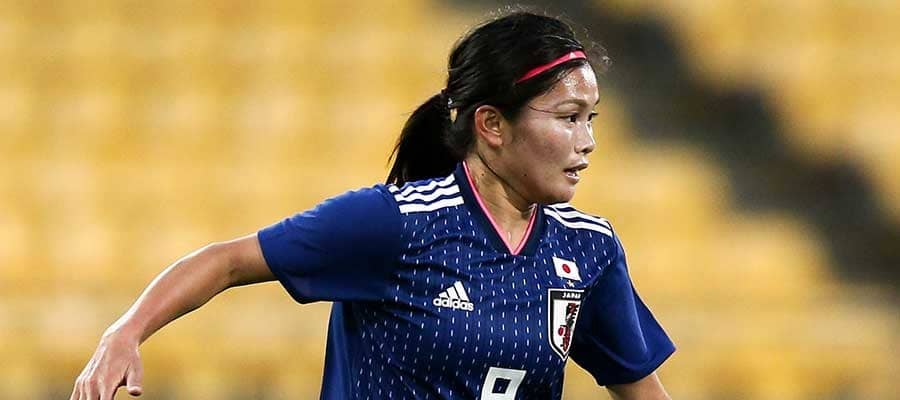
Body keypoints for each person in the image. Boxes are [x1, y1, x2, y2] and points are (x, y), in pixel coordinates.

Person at [70, 10, 675, 400]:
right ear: (492, 124)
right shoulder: (394, 224)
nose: (587, 141)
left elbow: (641, 389)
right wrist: (126, 332)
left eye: (591, 118)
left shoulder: (588, 249)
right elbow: (227, 262)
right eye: (568, 118)